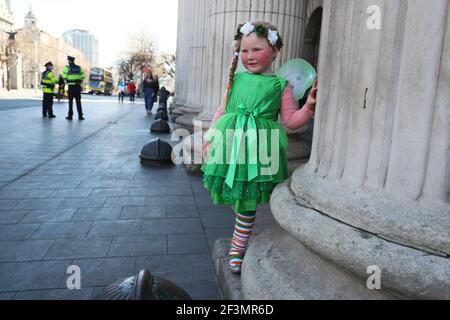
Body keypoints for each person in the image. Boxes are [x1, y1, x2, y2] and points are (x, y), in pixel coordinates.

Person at [201, 21, 318, 274]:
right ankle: (239, 236)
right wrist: (210, 136)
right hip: (230, 144)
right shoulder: (235, 78)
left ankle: (237, 246)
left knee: (247, 202)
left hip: (257, 149)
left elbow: (290, 121)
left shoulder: (280, 85)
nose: (249, 56)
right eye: (244, 50)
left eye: (257, 49)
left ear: (275, 51)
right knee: (238, 197)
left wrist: (307, 108)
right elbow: (222, 110)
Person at [62, 56, 85, 120]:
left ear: (69, 61)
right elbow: (83, 76)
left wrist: (68, 79)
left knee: (70, 102)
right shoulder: (79, 68)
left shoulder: (67, 68)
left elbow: (64, 76)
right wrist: (78, 79)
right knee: (78, 102)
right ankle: (80, 116)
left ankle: (70, 116)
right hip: (77, 87)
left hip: (71, 87)